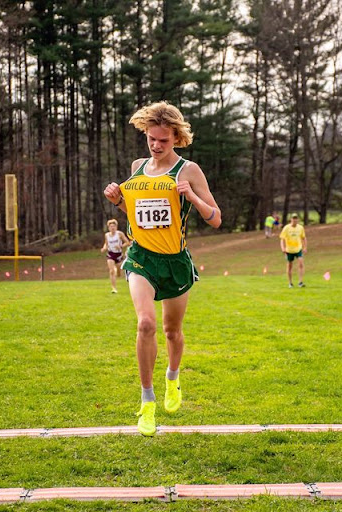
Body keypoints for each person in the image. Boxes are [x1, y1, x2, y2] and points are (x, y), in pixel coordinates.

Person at [103, 101, 221, 436]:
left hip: (175, 261)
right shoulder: (138, 166)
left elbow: (216, 218)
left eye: (163, 141)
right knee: (145, 324)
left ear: (176, 138)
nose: (156, 145)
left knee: (172, 332)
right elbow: (135, 214)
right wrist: (118, 201)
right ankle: (147, 400)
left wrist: (192, 197)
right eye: (151, 139)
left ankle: (172, 378)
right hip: (141, 257)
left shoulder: (189, 170)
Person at [100, 219, 129, 293]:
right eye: (111, 226)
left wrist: (121, 246)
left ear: (116, 227)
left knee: (118, 272)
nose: (112, 228)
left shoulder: (119, 234)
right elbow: (106, 243)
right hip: (110, 254)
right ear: (108, 228)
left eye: (114, 226)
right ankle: (114, 288)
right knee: (112, 271)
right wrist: (104, 248)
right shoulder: (107, 235)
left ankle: (118, 271)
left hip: (118, 255)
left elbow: (127, 242)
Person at [280, 213, 307, 288]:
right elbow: (282, 239)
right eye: (293, 218)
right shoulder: (286, 228)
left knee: (301, 263)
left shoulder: (300, 228)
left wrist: (305, 247)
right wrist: (283, 248)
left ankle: (300, 282)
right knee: (289, 266)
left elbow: (304, 238)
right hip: (289, 250)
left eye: (296, 218)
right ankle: (290, 283)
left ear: (297, 219)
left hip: (298, 249)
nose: (294, 220)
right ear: (291, 219)